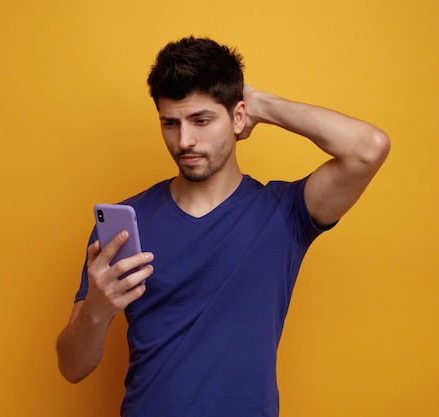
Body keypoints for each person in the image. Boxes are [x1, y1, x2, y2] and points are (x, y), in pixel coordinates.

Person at [56, 36, 390, 417]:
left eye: (201, 120)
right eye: (170, 123)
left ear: (237, 117)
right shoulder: (126, 225)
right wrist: (96, 310)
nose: (185, 141)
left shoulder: (284, 214)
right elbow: (72, 368)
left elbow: (369, 147)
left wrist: (261, 105)